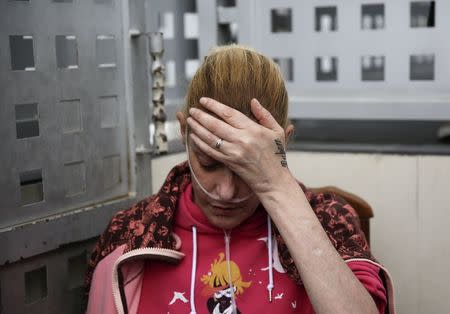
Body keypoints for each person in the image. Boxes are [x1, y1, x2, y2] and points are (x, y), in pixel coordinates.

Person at [85, 45, 394, 314]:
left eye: (248, 170)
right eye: (209, 164)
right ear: (184, 133)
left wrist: (277, 184)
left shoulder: (328, 221)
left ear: (282, 144)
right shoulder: (133, 235)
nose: (226, 192)